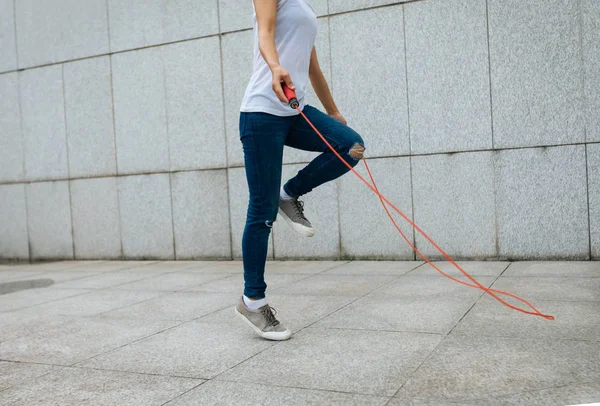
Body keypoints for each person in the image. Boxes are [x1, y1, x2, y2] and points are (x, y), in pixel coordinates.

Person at [234, 0, 366, 341]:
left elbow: (312, 67)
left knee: (350, 146)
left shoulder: (305, 7)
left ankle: (289, 193)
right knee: (261, 213)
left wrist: (333, 112)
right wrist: (275, 66)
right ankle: (252, 299)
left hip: (296, 113)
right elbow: (264, 31)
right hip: (262, 112)